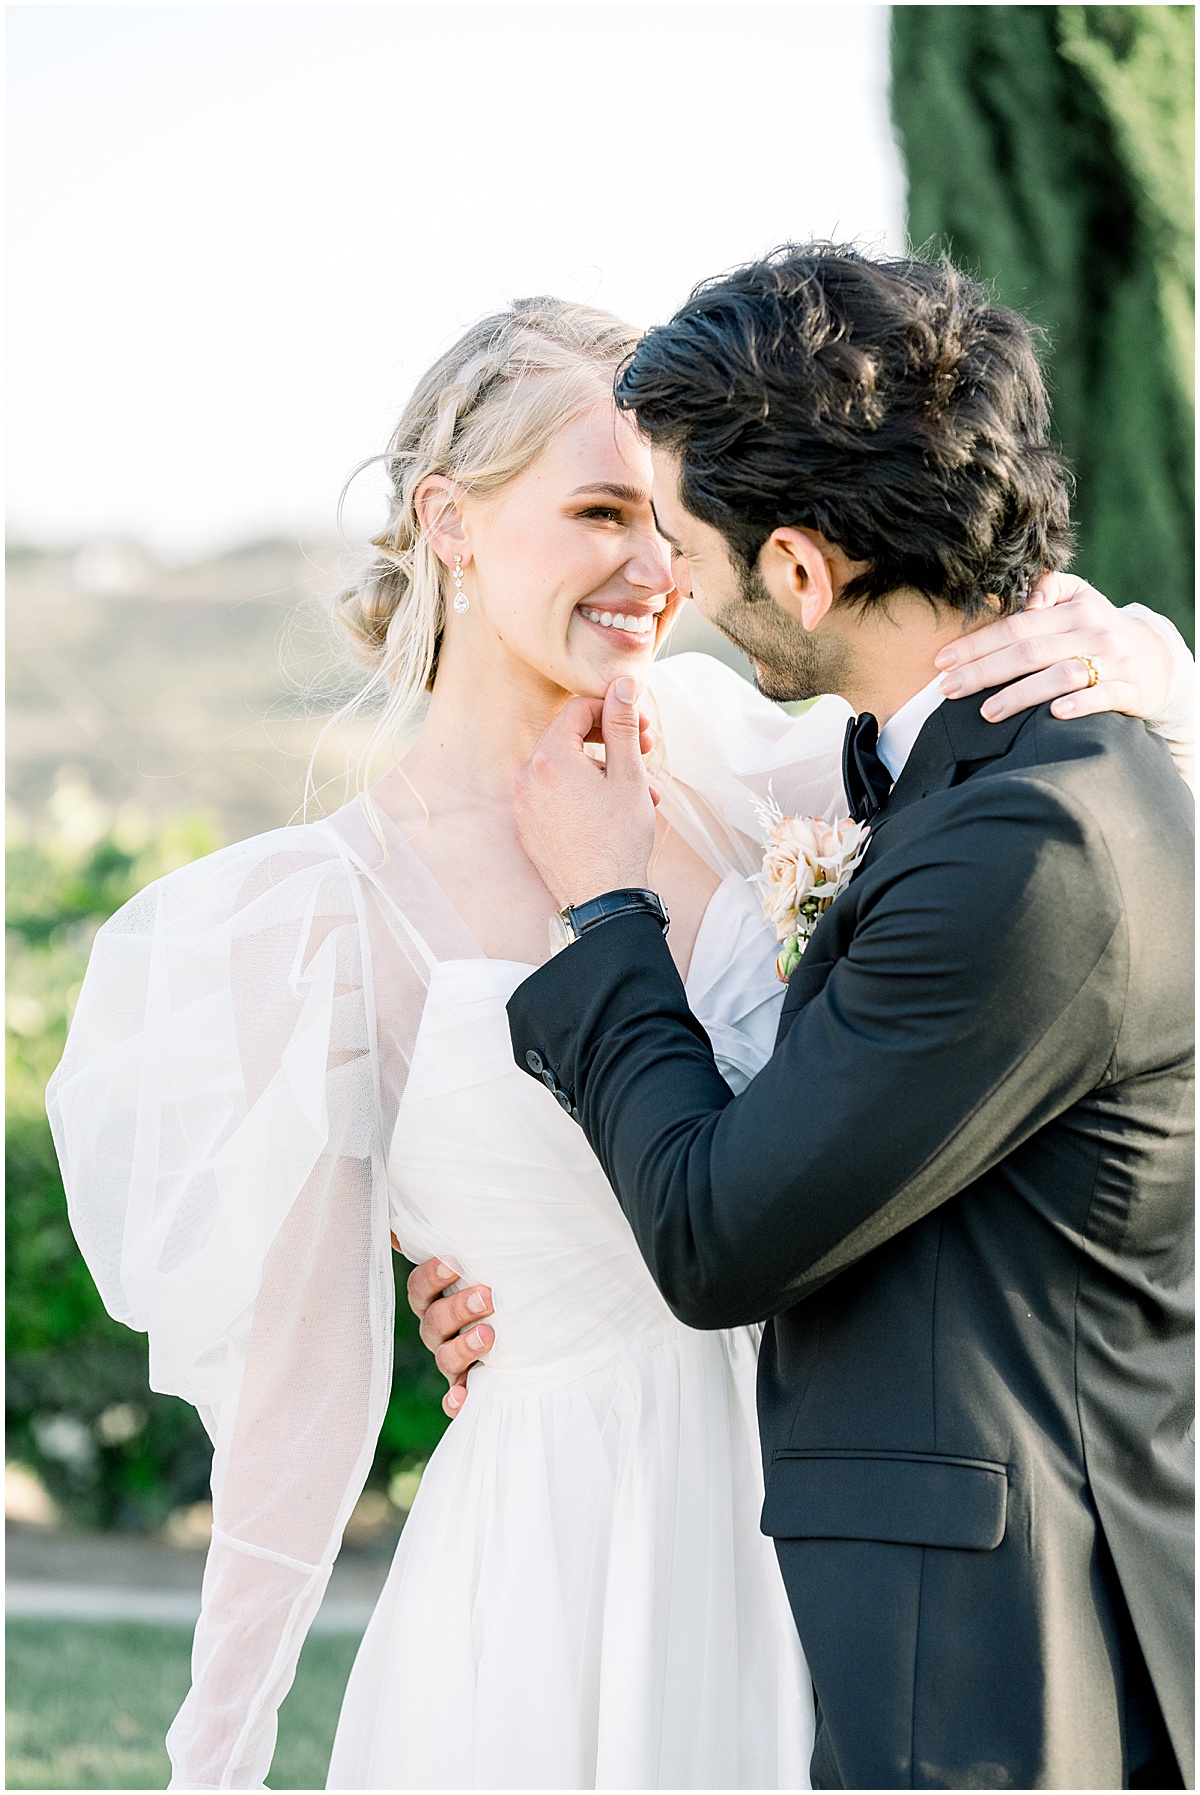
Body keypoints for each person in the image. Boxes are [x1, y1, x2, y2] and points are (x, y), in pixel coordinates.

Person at [47, 291, 1190, 1792]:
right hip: (555, 1556)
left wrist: (1131, 656)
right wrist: (220, 1749)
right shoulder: (312, 917)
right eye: (601, 511)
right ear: (450, 522)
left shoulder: (762, 766)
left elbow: (994, 776)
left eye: (669, 520)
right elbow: (298, 1413)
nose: (658, 572)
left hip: (844, 1539)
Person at [491, 249, 1195, 1791]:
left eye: (686, 539)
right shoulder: (999, 767)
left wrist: (608, 915)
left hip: (1008, 1658)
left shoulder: (1030, 844)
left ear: (801, 572)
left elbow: (717, 1236)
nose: (672, 588)